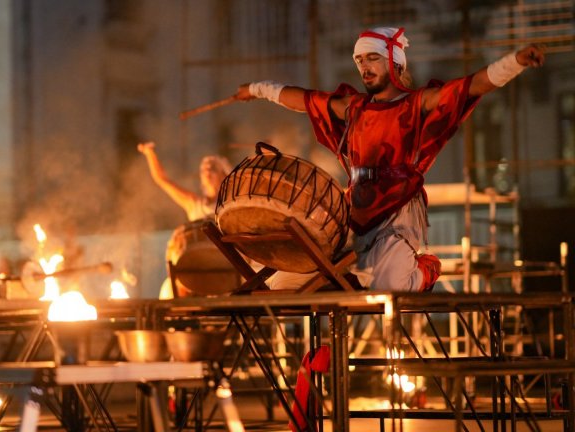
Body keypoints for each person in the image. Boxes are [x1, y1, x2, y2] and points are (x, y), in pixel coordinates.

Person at [235, 27, 545, 292]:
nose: (364, 67)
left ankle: (426, 267)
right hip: (354, 206)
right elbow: (304, 100)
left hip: (398, 207)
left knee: (390, 287)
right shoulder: (354, 107)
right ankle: (347, 295)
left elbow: (470, 86)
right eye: (359, 60)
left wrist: (514, 62)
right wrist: (257, 88)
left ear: (395, 61)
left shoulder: (416, 104)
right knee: (284, 285)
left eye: (372, 58)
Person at [137, 141, 233, 298]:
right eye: (204, 170)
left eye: (213, 169)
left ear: (225, 175)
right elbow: (163, 180)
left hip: (227, 268)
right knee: (170, 289)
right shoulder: (195, 204)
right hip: (197, 267)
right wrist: (150, 154)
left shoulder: (231, 204)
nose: (207, 172)